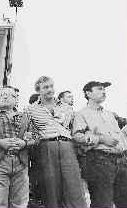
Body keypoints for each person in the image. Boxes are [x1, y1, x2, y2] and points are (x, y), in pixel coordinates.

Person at [22, 76, 87, 208]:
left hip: (67, 145)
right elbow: (28, 131)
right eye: (46, 87)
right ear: (38, 90)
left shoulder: (67, 107)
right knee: (51, 190)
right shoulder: (30, 109)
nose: (50, 89)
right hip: (46, 146)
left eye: (51, 86)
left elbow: (76, 129)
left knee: (74, 187)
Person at [73, 81, 127, 208]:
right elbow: (77, 137)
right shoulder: (81, 114)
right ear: (88, 93)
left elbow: (120, 137)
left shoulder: (110, 114)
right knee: (102, 202)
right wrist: (100, 139)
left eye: (104, 89)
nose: (103, 91)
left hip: (121, 161)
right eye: (99, 89)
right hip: (99, 161)